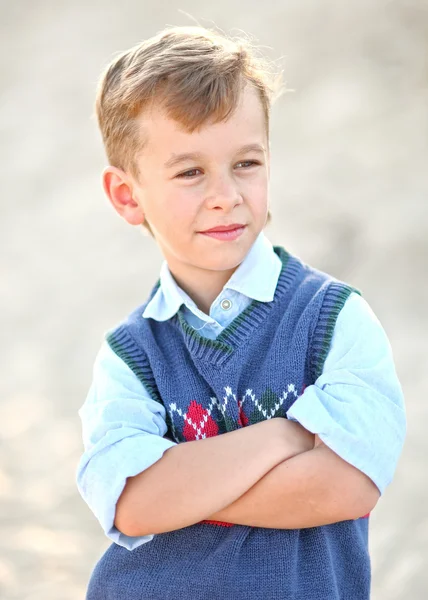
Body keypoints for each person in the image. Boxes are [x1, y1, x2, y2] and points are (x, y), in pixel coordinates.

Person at [76, 25, 406, 600]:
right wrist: (282, 436)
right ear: (128, 196)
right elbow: (132, 504)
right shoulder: (130, 356)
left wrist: (181, 486)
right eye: (190, 171)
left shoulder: (333, 321)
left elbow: (346, 486)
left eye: (246, 163)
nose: (226, 194)